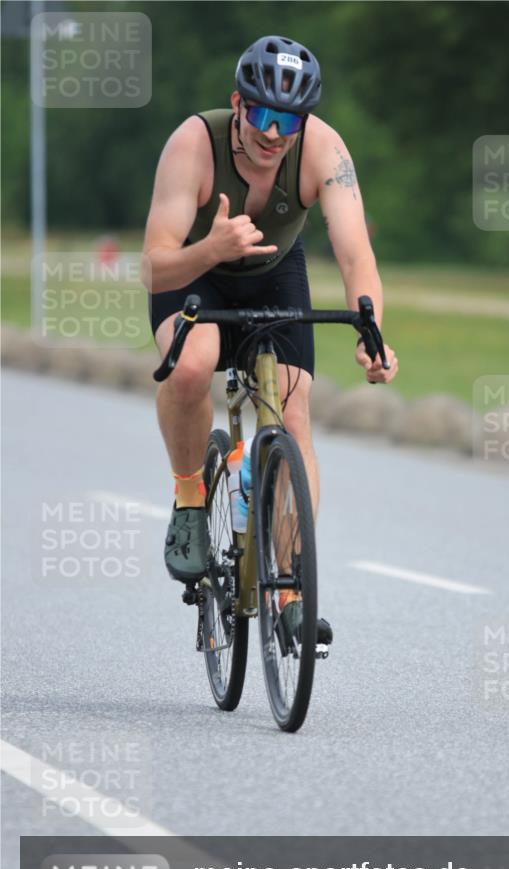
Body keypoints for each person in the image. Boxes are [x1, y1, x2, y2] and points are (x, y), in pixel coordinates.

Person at [141, 35, 398, 646]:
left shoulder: (323, 151)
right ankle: (188, 501)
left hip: (273, 269)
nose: (273, 132)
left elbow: (356, 253)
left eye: (289, 119)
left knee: (292, 408)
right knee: (191, 365)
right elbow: (154, 266)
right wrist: (212, 248)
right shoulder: (193, 144)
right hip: (195, 266)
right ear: (238, 103)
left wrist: (373, 331)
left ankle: (288, 588)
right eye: (261, 114)